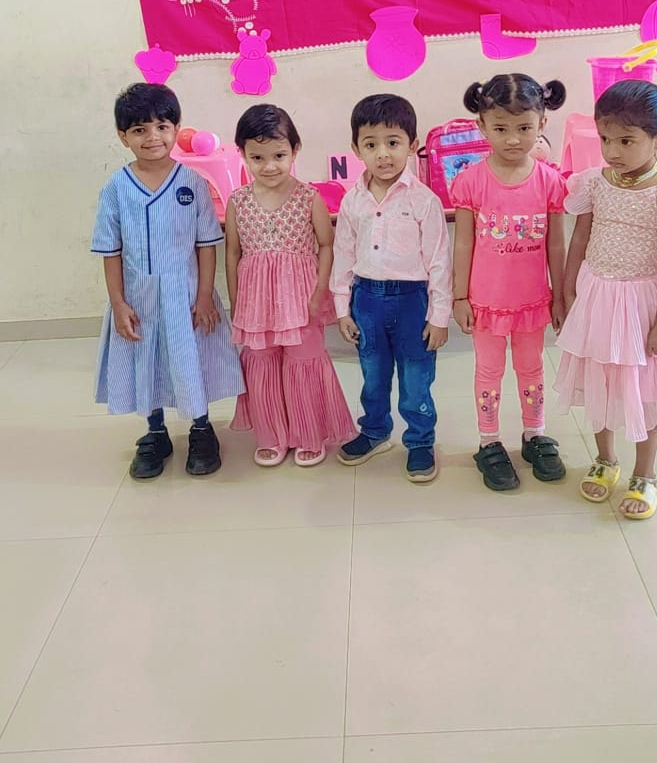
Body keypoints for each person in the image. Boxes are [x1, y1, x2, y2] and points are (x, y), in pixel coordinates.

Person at [555, 79, 657, 519]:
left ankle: (645, 473)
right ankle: (605, 459)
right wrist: (568, 290)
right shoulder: (595, 182)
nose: (612, 151)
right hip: (597, 296)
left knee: (645, 391)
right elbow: (580, 237)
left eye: (626, 141)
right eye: (605, 139)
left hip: (643, 304)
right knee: (600, 379)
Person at [91, 84, 243, 479]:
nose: (152, 137)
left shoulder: (191, 182)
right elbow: (110, 251)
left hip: (186, 296)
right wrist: (119, 303)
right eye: (139, 130)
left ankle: (201, 429)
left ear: (176, 128)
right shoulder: (117, 188)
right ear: (123, 136)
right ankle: (155, 432)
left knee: (192, 360)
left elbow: (206, 245)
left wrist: (205, 295)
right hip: (138, 298)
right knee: (147, 362)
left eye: (162, 126)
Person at [450, 74, 568, 492]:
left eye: (524, 128)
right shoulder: (470, 181)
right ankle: (489, 441)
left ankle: (535, 434)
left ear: (542, 124)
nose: (513, 139)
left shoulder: (550, 182)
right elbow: (463, 242)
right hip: (486, 303)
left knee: (531, 368)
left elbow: (556, 244)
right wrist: (459, 296)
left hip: (533, 301)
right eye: (500, 128)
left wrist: (559, 296)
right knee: (489, 370)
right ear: (481, 126)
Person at [331, 94, 452, 484]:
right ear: (356, 149)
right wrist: (342, 309)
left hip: (412, 302)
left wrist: (439, 317)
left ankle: (419, 441)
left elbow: (439, 261)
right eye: (371, 144)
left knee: (416, 376)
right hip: (366, 300)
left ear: (412, 145)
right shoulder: (352, 202)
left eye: (393, 142)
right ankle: (375, 431)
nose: (383, 154)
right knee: (373, 372)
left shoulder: (424, 201)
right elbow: (343, 255)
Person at [226, 104, 356, 467]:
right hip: (256, 302)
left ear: (295, 151)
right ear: (243, 154)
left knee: (304, 361)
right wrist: (236, 301)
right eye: (258, 157)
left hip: (301, 298)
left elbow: (326, 244)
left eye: (279, 156)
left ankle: (308, 433)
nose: (269, 166)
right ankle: (271, 435)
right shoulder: (238, 202)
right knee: (261, 363)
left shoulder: (308, 197)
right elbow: (233, 253)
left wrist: (320, 291)